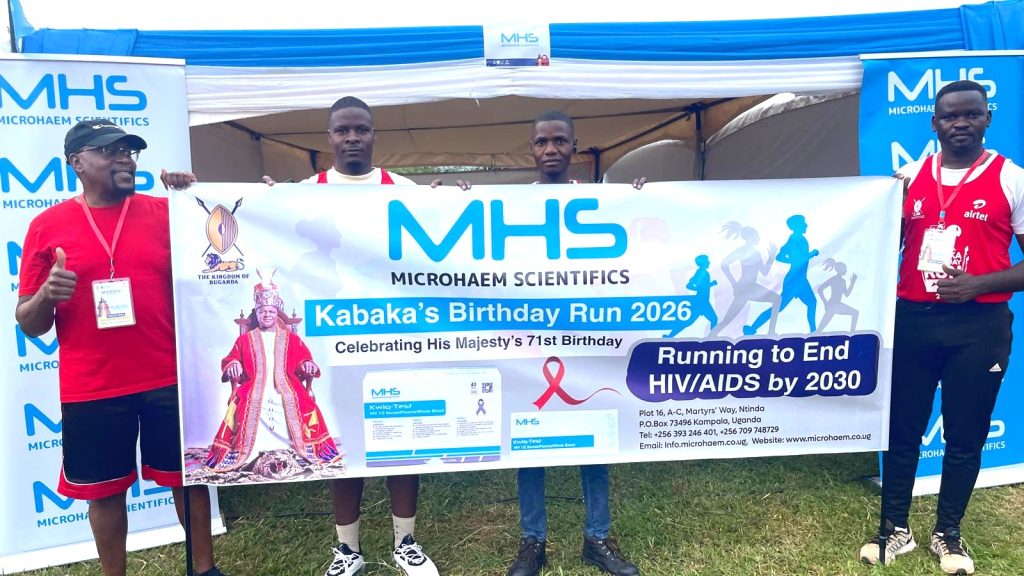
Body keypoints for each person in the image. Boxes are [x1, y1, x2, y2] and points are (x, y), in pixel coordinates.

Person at [15, 120, 224, 576]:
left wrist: (192, 197)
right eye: (110, 151)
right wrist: (47, 295)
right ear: (77, 162)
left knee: (188, 479)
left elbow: (227, 249)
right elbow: (29, 323)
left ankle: (205, 569)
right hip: (93, 385)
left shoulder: (167, 212)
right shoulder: (46, 227)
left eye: (129, 151)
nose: (125, 159)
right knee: (104, 492)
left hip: (169, 375)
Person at [266, 96, 442, 576]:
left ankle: (406, 542)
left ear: (373, 134)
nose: (351, 138)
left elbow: (440, 238)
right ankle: (348, 549)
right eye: (342, 131)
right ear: (329, 137)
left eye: (360, 129)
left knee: (401, 438)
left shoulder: (402, 189)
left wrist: (455, 198)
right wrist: (263, 198)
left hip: (392, 340)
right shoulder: (306, 192)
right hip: (334, 344)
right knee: (342, 442)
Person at [858, 80, 1024, 576]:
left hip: (980, 326)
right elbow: (874, 242)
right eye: (950, 116)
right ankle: (895, 529)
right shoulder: (908, 178)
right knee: (903, 430)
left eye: (971, 114)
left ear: (987, 118)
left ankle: (947, 532)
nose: (960, 123)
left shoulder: (1012, 179)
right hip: (913, 321)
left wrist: (979, 284)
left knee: (965, 436)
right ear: (934, 123)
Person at [506, 110, 641, 576]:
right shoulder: (510, 207)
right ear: (531, 148)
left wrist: (645, 201)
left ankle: (597, 538)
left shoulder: (600, 202)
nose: (551, 149)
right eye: (541, 141)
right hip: (529, 342)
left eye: (559, 141)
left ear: (574, 146)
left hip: (586, 340)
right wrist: (453, 202)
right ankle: (533, 541)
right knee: (528, 441)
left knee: (595, 438)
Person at [206, 276, 341, 472]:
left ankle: (296, 448)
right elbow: (231, 358)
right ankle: (251, 451)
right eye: (263, 312)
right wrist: (233, 364)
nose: (267, 315)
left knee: (293, 398)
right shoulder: (245, 339)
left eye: (271, 311)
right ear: (257, 314)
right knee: (251, 399)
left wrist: (307, 364)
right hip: (253, 386)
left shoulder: (292, 339)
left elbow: (304, 359)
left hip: (287, 385)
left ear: (276, 314)